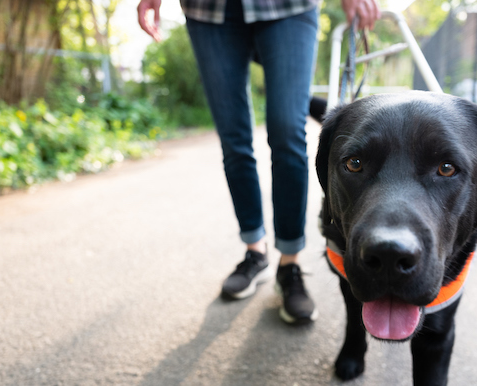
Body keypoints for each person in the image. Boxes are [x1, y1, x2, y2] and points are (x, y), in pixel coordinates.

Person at [137, 0, 380, 324]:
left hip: (287, 6)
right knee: (233, 139)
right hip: (208, 10)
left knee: (287, 132)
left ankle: (289, 263)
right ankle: (255, 252)